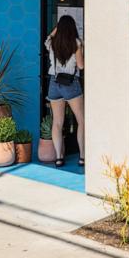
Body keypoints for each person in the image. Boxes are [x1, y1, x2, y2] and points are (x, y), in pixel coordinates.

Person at [44, 14, 85, 168]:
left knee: (57, 122)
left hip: (54, 83)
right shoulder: (76, 43)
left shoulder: (52, 43)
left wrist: (57, 29)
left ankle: (59, 158)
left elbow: (49, 36)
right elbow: (80, 66)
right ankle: (82, 157)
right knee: (81, 121)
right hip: (71, 84)